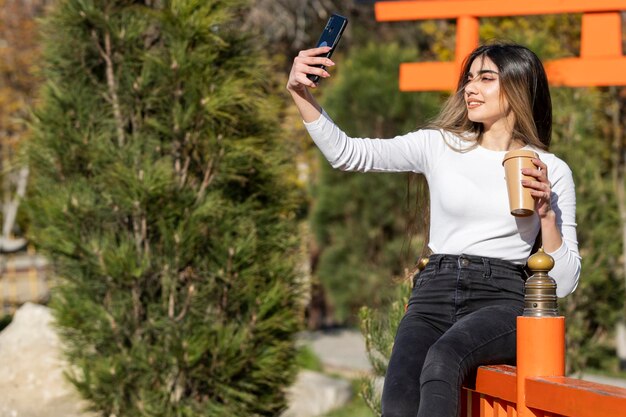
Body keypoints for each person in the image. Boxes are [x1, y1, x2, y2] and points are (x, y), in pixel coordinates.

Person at [286, 41, 581, 417]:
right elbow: (347, 153)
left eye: (486, 78)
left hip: (503, 297)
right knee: (398, 400)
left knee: (443, 358)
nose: (470, 88)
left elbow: (567, 281)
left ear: (519, 85)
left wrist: (546, 216)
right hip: (434, 291)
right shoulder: (439, 145)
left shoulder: (551, 170)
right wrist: (300, 93)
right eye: (469, 78)